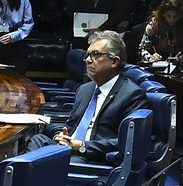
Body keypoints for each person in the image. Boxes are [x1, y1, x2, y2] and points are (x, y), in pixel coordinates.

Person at [51, 31, 145, 160]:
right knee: (36, 140)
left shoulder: (132, 94)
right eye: (88, 55)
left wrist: (83, 146)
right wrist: (59, 136)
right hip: (67, 149)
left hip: (90, 157)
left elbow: (128, 141)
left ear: (115, 61)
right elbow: (70, 126)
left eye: (96, 55)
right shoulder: (84, 90)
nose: (88, 60)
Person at [140, 0, 183, 66]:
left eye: (175, 17)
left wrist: (180, 59)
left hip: (178, 65)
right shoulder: (155, 23)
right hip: (156, 63)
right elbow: (142, 49)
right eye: (169, 16)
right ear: (163, 14)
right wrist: (150, 57)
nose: (172, 20)